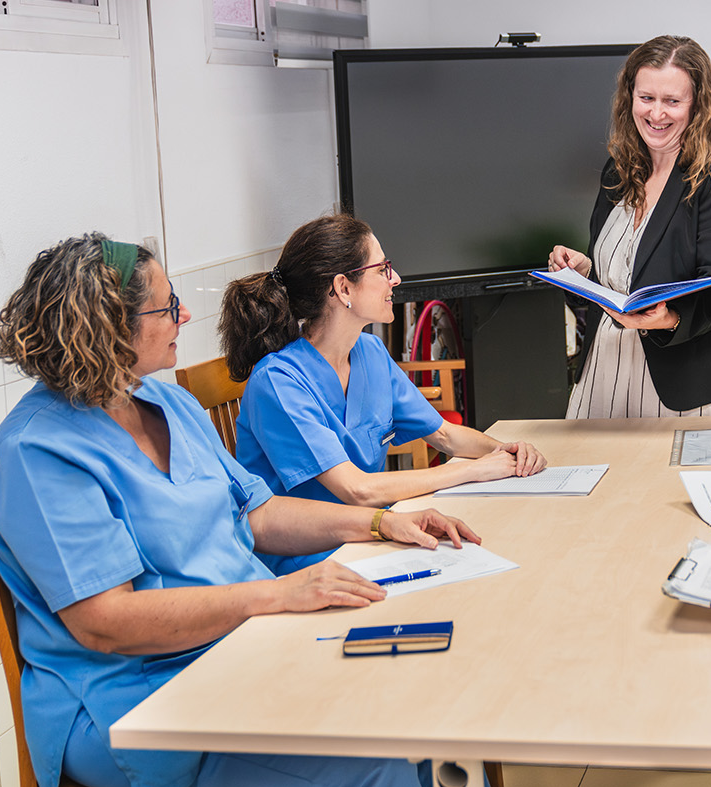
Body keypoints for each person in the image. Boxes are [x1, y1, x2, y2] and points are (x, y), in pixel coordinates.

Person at [0, 234, 480, 787]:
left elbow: (258, 515)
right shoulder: (38, 452)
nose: (185, 315)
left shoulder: (169, 403)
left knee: (428, 705)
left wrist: (383, 523)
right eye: (168, 307)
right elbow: (106, 622)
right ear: (109, 329)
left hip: (244, 648)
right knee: (378, 760)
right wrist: (277, 595)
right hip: (138, 702)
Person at [220, 215, 545, 573]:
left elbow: (444, 435)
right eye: (382, 269)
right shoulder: (278, 381)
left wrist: (506, 452)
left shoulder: (370, 352)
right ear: (343, 288)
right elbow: (357, 490)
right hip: (309, 560)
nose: (396, 279)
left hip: (374, 536)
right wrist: (472, 471)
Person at [548, 35, 711, 417]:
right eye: (646, 98)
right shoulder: (618, 171)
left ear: (698, 105)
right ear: (630, 97)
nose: (657, 113)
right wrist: (582, 273)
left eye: (672, 101)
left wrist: (671, 318)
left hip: (684, 383)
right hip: (602, 372)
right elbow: (619, 278)